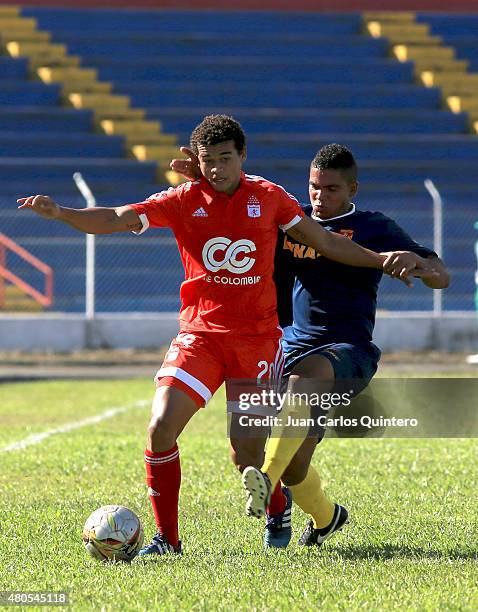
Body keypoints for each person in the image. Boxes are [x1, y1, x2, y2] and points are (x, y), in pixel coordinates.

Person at [18, 117, 430, 556]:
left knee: (245, 457)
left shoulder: (269, 198)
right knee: (159, 428)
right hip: (200, 336)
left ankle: (277, 505)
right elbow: (117, 218)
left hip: (257, 342)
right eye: (208, 160)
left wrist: (379, 260)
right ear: (196, 161)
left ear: (243, 156)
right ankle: (168, 542)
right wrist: (63, 213)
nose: (216, 168)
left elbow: (326, 243)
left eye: (225, 158)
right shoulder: (180, 199)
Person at [240, 143, 450, 548]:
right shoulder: (293, 221)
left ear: (353, 188)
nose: (320, 197)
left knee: (307, 380)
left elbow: (442, 276)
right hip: (285, 347)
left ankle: (264, 479)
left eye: (332, 189)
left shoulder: (375, 226)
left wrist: (418, 265)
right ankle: (326, 518)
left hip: (346, 350)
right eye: (314, 187)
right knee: (296, 464)